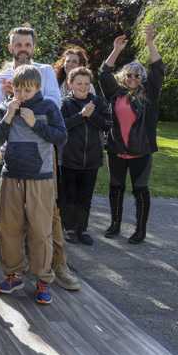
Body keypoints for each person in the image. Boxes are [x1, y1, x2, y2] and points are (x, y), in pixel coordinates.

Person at [0, 26, 80, 291]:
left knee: (47, 220)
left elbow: (54, 104)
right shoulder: (1, 78)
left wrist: (32, 116)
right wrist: (9, 106)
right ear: (11, 47)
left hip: (41, 158)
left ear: (33, 46)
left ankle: (53, 270)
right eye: (18, 44)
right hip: (13, 163)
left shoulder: (46, 71)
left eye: (27, 44)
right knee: (9, 225)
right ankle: (14, 273)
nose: (23, 48)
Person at [0, 65, 67, 304]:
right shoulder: (6, 107)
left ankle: (43, 279)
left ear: (37, 88)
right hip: (11, 175)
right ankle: (13, 274)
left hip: (40, 177)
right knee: (8, 228)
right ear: (12, 88)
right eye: (18, 89)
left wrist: (36, 124)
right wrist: (7, 117)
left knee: (40, 231)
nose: (22, 95)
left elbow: (61, 137)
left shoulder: (48, 107)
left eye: (28, 90)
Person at [99, 25, 164, 244]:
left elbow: (158, 70)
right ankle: (115, 224)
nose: (133, 78)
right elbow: (103, 73)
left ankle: (140, 230)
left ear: (142, 78)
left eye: (137, 75)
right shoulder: (115, 93)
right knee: (116, 187)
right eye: (129, 75)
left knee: (140, 190)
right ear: (124, 77)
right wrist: (116, 49)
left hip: (141, 152)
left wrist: (150, 43)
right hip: (117, 151)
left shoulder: (149, 95)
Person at [60, 67, 111, 245]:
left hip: (92, 159)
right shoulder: (65, 104)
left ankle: (82, 228)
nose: (83, 87)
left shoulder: (98, 102)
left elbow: (107, 125)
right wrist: (81, 116)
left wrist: (91, 115)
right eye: (79, 83)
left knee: (85, 197)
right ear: (70, 84)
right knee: (69, 196)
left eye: (86, 84)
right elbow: (62, 126)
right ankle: (69, 228)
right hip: (69, 159)